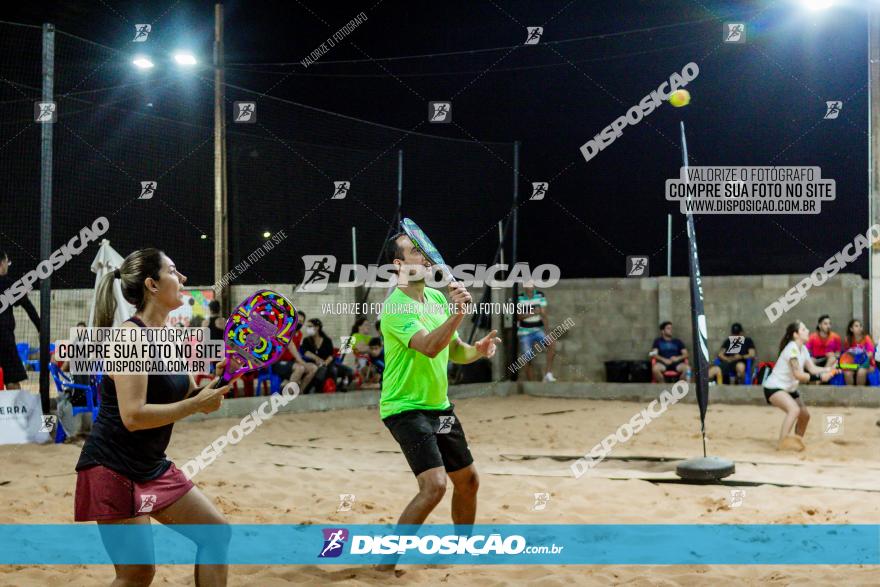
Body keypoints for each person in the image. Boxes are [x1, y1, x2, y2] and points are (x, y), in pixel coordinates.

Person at [74, 248, 236, 586]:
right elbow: (133, 416)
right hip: (112, 466)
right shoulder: (129, 336)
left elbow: (191, 395)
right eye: (174, 271)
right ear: (151, 284)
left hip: (151, 465)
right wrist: (195, 405)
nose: (183, 279)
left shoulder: (171, 336)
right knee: (137, 573)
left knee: (216, 535)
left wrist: (221, 379)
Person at [377, 231, 501, 570]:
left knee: (469, 481)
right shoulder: (395, 307)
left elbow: (453, 350)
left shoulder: (435, 297)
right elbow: (429, 345)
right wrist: (459, 313)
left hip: (439, 407)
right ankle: (386, 564)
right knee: (434, 486)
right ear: (398, 264)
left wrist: (478, 350)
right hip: (405, 408)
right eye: (414, 251)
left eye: (424, 250)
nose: (424, 256)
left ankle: (461, 550)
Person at [763, 321, 836, 451]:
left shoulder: (803, 348)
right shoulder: (792, 348)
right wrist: (820, 378)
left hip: (789, 388)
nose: (807, 330)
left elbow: (812, 368)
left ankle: (796, 442)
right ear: (795, 334)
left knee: (805, 416)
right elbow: (798, 374)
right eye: (803, 329)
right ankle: (782, 443)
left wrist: (829, 369)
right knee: (794, 410)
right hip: (774, 387)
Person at [0, 249, 40, 390]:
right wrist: (41, 328)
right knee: (11, 380)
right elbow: (28, 307)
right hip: (5, 340)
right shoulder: (10, 285)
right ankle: (15, 412)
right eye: (7, 262)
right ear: (2, 263)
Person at [515, 281, 556, 382]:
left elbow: (543, 314)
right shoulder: (519, 298)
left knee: (552, 343)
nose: (530, 287)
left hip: (538, 331)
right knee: (527, 357)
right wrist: (533, 312)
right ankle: (531, 383)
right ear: (524, 286)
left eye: (532, 284)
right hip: (524, 333)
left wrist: (547, 331)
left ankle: (548, 374)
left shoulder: (540, 295)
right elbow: (518, 317)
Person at [301, 318, 353, 392]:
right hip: (314, 364)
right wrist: (317, 359)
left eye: (310, 326)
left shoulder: (326, 340)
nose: (308, 329)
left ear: (317, 327)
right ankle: (319, 389)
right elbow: (306, 352)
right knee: (329, 370)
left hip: (328, 363)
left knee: (348, 371)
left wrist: (325, 363)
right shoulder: (306, 340)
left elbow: (331, 355)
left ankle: (340, 387)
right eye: (307, 327)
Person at [272, 310, 317, 391]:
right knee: (300, 368)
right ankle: (288, 394)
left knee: (313, 368)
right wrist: (302, 362)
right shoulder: (285, 331)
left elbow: (296, 351)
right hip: (278, 363)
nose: (298, 323)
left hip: (291, 363)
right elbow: (291, 347)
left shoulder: (299, 334)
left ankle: (300, 392)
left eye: (301, 321)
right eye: (297, 320)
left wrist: (302, 362)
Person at [841, 319, 875, 386]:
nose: (859, 328)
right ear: (851, 329)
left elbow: (870, 354)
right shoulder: (847, 340)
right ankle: (850, 393)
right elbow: (846, 355)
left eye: (860, 326)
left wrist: (859, 359)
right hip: (853, 364)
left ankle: (860, 394)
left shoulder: (866, 338)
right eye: (856, 326)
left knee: (861, 372)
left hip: (867, 364)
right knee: (847, 372)